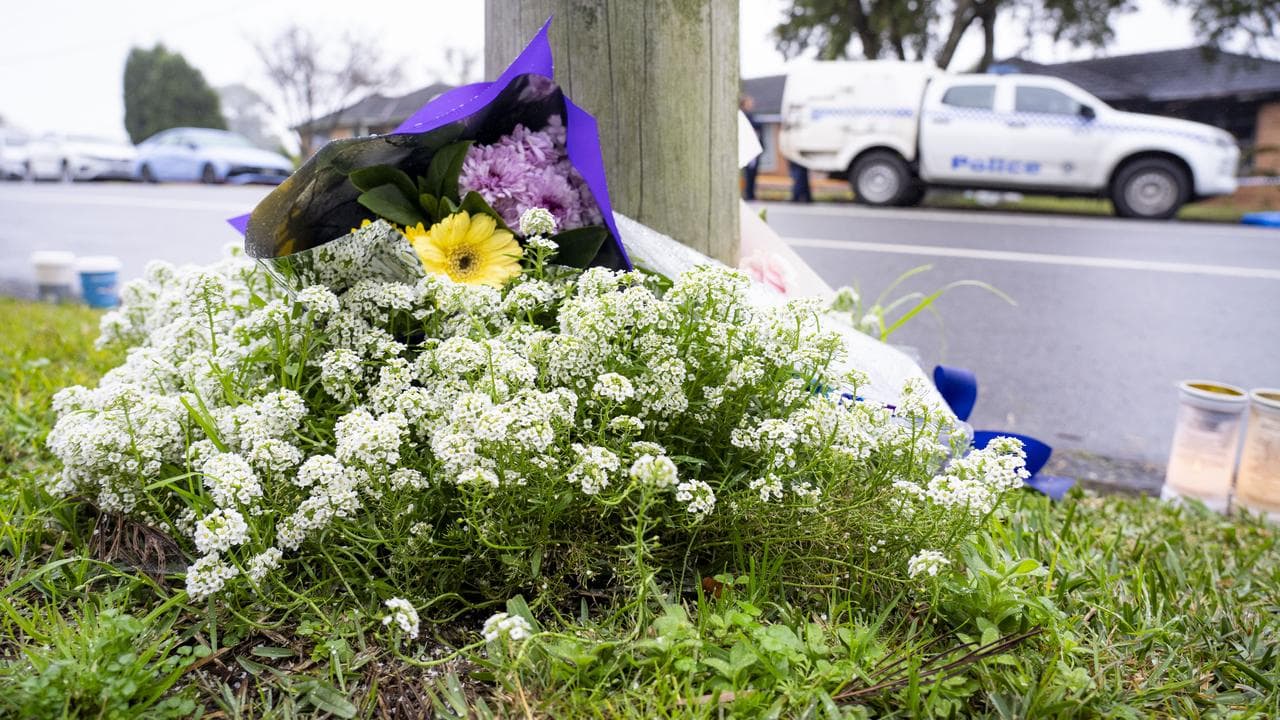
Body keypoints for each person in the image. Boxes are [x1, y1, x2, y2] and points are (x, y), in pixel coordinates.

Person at [740, 94, 762, 201]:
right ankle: (749, 194)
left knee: (753, 173)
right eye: (749, 102)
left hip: (754, 148)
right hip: (748, 149)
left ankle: (751, 193)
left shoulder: (751, 115)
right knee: (749, 172)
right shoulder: (744, 116)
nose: (752, 104)